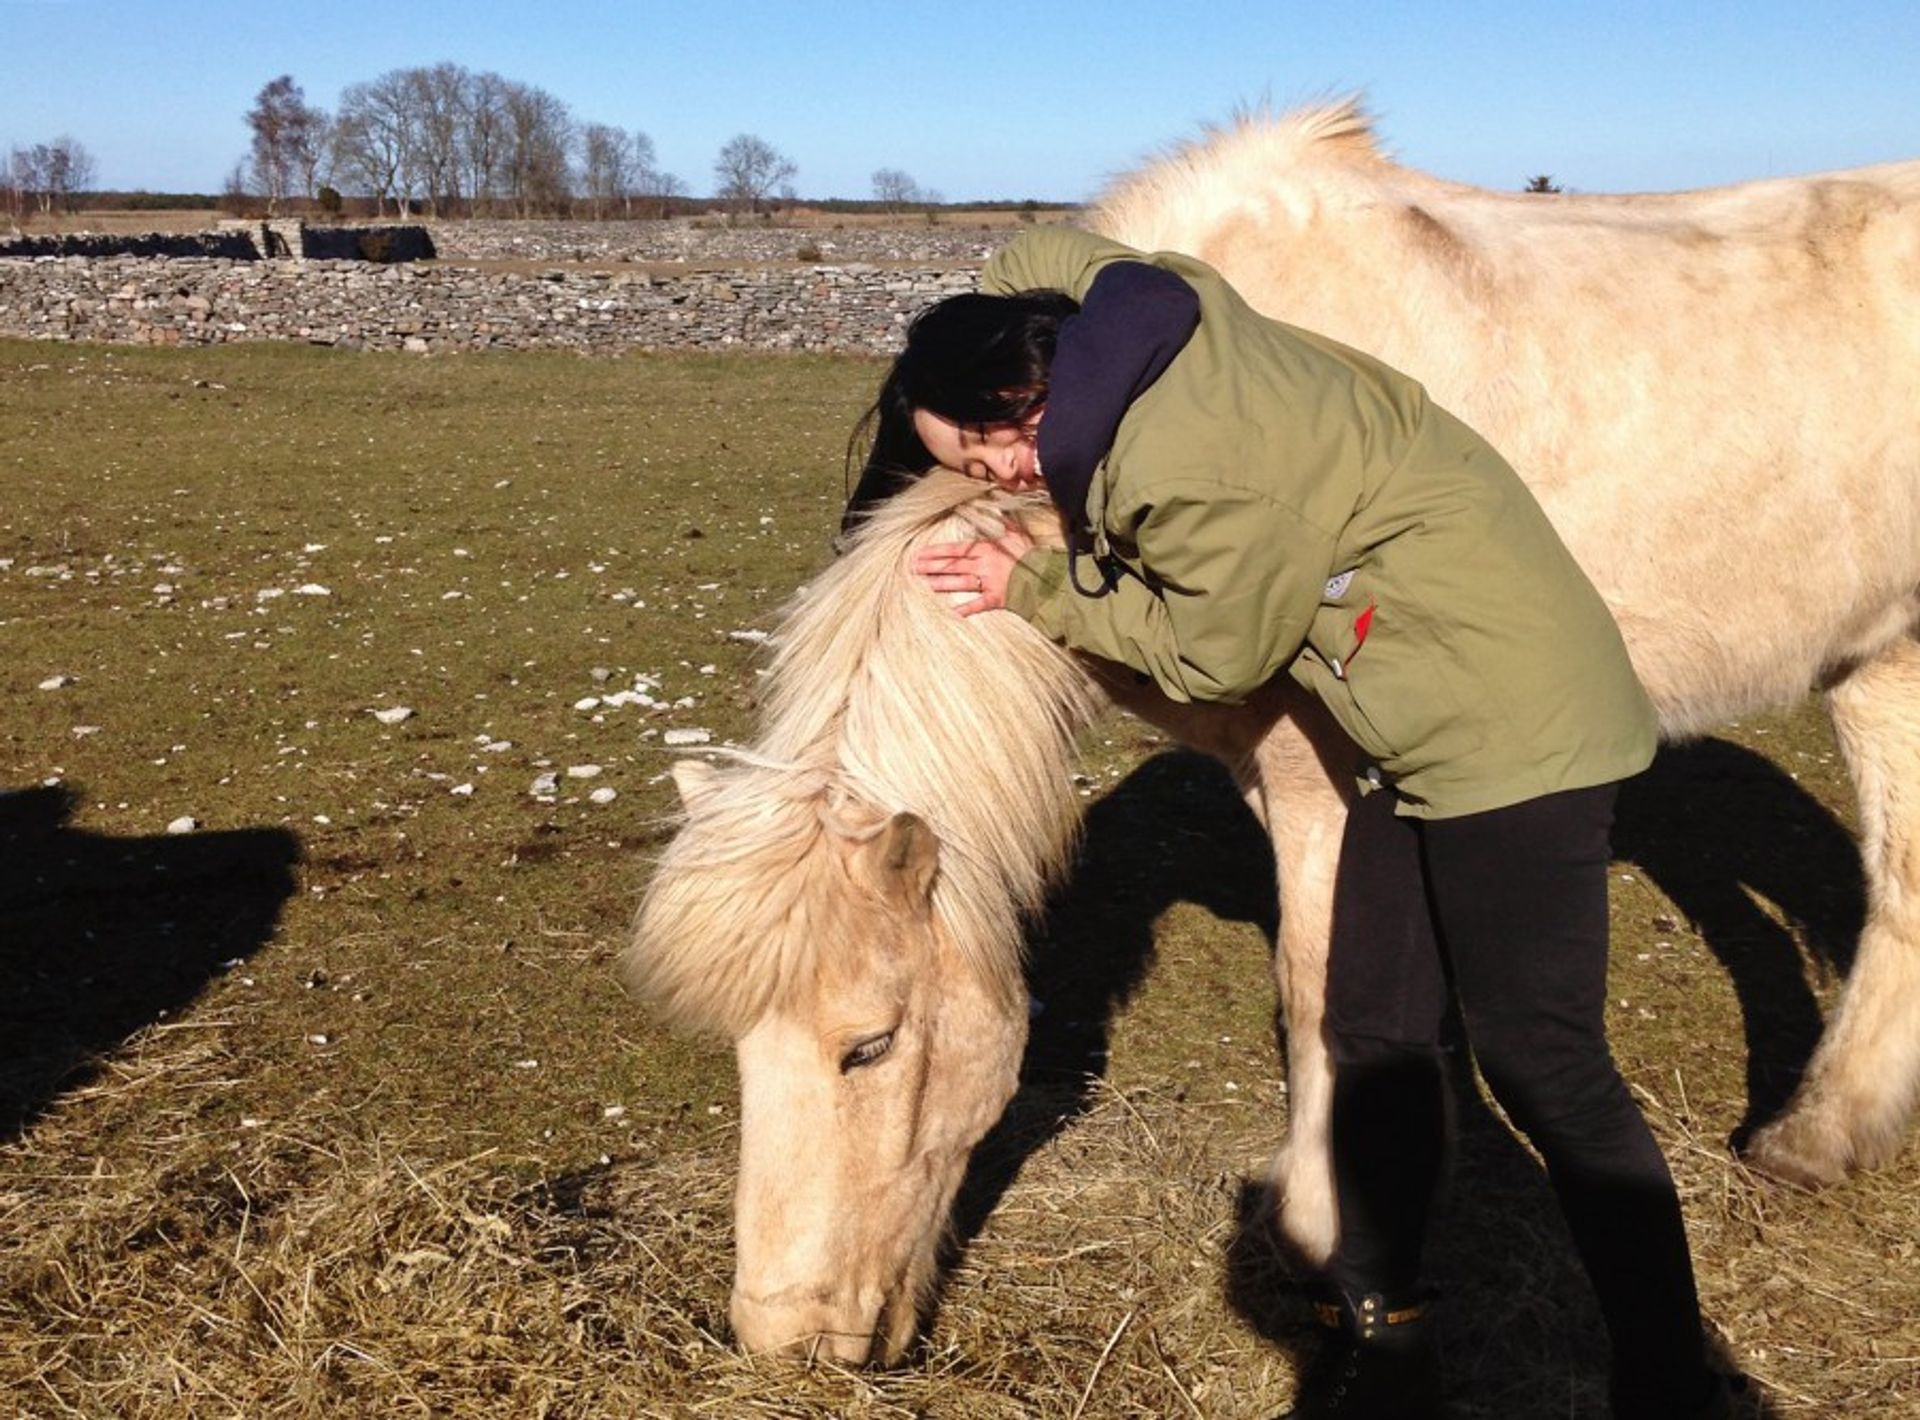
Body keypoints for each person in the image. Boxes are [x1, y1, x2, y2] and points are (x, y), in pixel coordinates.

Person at [841, 226, 1735, 1419]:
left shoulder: (1191, 464)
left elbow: (1217, 655)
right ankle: (1387, 1326)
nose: (998, 476)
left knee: (1543, 1062)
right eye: (966, 458)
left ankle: (1674, 1375)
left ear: (1025, 395)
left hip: (1512, 726)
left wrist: (1034, 585)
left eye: (994, 449)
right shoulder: (1143, 311)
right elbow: (1035, 248)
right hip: (1403, 720)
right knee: (1373, 1029)